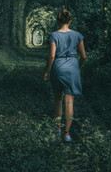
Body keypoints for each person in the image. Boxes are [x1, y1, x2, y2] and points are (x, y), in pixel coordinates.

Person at [43, 9, 86, 142]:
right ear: (70, 21)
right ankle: (66, 134)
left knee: (57, 99)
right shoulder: (78, 35)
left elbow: (51, 55)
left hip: (58, 69)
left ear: (58, 21)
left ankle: (57, 129)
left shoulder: (54, 36)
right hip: (72, 69)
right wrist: (77, 67)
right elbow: (83, 56)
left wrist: (46, 71)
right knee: (69, 102)